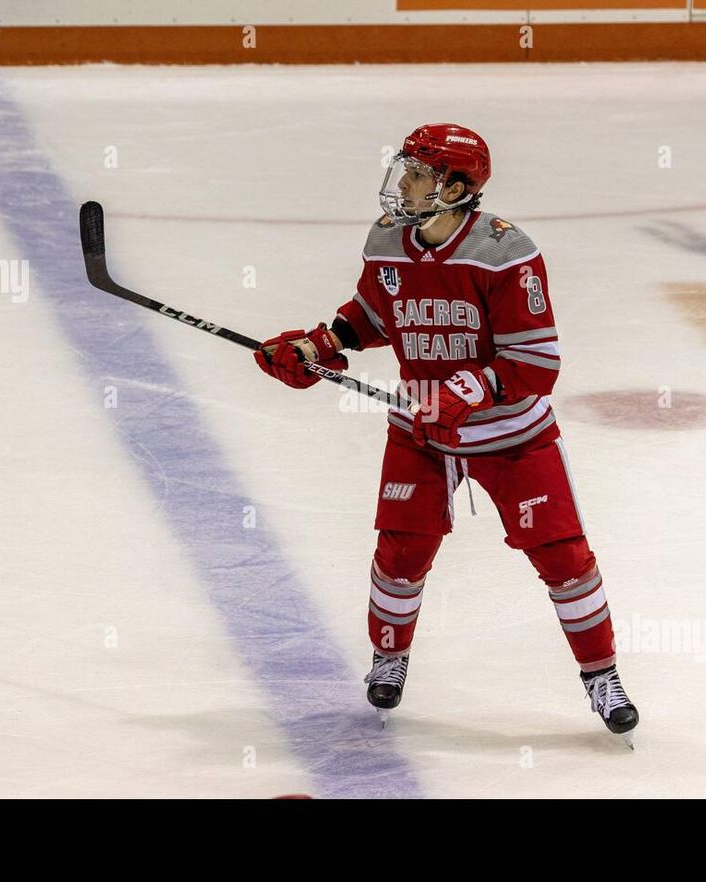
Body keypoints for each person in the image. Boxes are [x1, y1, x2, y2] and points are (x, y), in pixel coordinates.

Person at [255, 123, 638, 743]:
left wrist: (466, 392)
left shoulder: (504, 252)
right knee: (400, 554)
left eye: (416, 174)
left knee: (564, 559)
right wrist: (322, 343)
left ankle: (602, 676)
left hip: (513, 434)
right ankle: (389, 656)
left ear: (455, 187)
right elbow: (378, 310)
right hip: (422, 431)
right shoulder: (388, 238)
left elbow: (536, 365)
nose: (401, 184)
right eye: (404, 170)